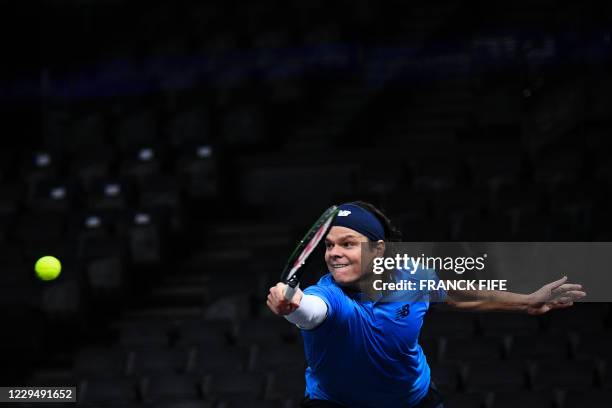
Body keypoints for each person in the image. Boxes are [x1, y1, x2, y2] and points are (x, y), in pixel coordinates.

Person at [266, 202, 586, 408]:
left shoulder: (412, 278)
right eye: (329, 245)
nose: (334, 252)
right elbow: (311, 311)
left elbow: (459, 295)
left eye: (348, 244)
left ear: (379, 250)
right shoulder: (329, 296)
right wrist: (292, 304)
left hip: (413, 401)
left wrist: (527, 301)